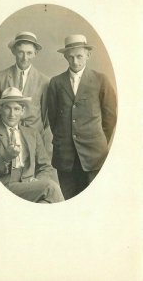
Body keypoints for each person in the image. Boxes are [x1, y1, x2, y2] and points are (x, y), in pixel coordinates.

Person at [47, 34, 117, 200]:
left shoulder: (101, 80)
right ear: (65, 56)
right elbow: (53, 118)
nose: (75, 61)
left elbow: (110, 117)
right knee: (70, 201)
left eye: (79, 56)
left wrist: (98, 140)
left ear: (88, 54)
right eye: (70, 57)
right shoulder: (56, 83)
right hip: (65, 156)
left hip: (94, 155)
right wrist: (63, 139)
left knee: (95, 201)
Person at [0, 87, 64, 203]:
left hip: (30, 185)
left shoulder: (32, 134)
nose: (12, 114)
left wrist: (37, 181)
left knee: (45, 203)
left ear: (22, 111)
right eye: (7, 108)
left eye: (16, 109)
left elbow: (45, 167)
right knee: (51, 188)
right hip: (5, 187)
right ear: (0, 110)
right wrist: (5, 158)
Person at [0, 31, 50, 145]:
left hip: (34, 136)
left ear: (35, 53)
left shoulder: (45, 81)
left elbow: (46, 115)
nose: (25, 58)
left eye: (29, 53)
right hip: (6, 136)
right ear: (14, 52)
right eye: (21, 52)